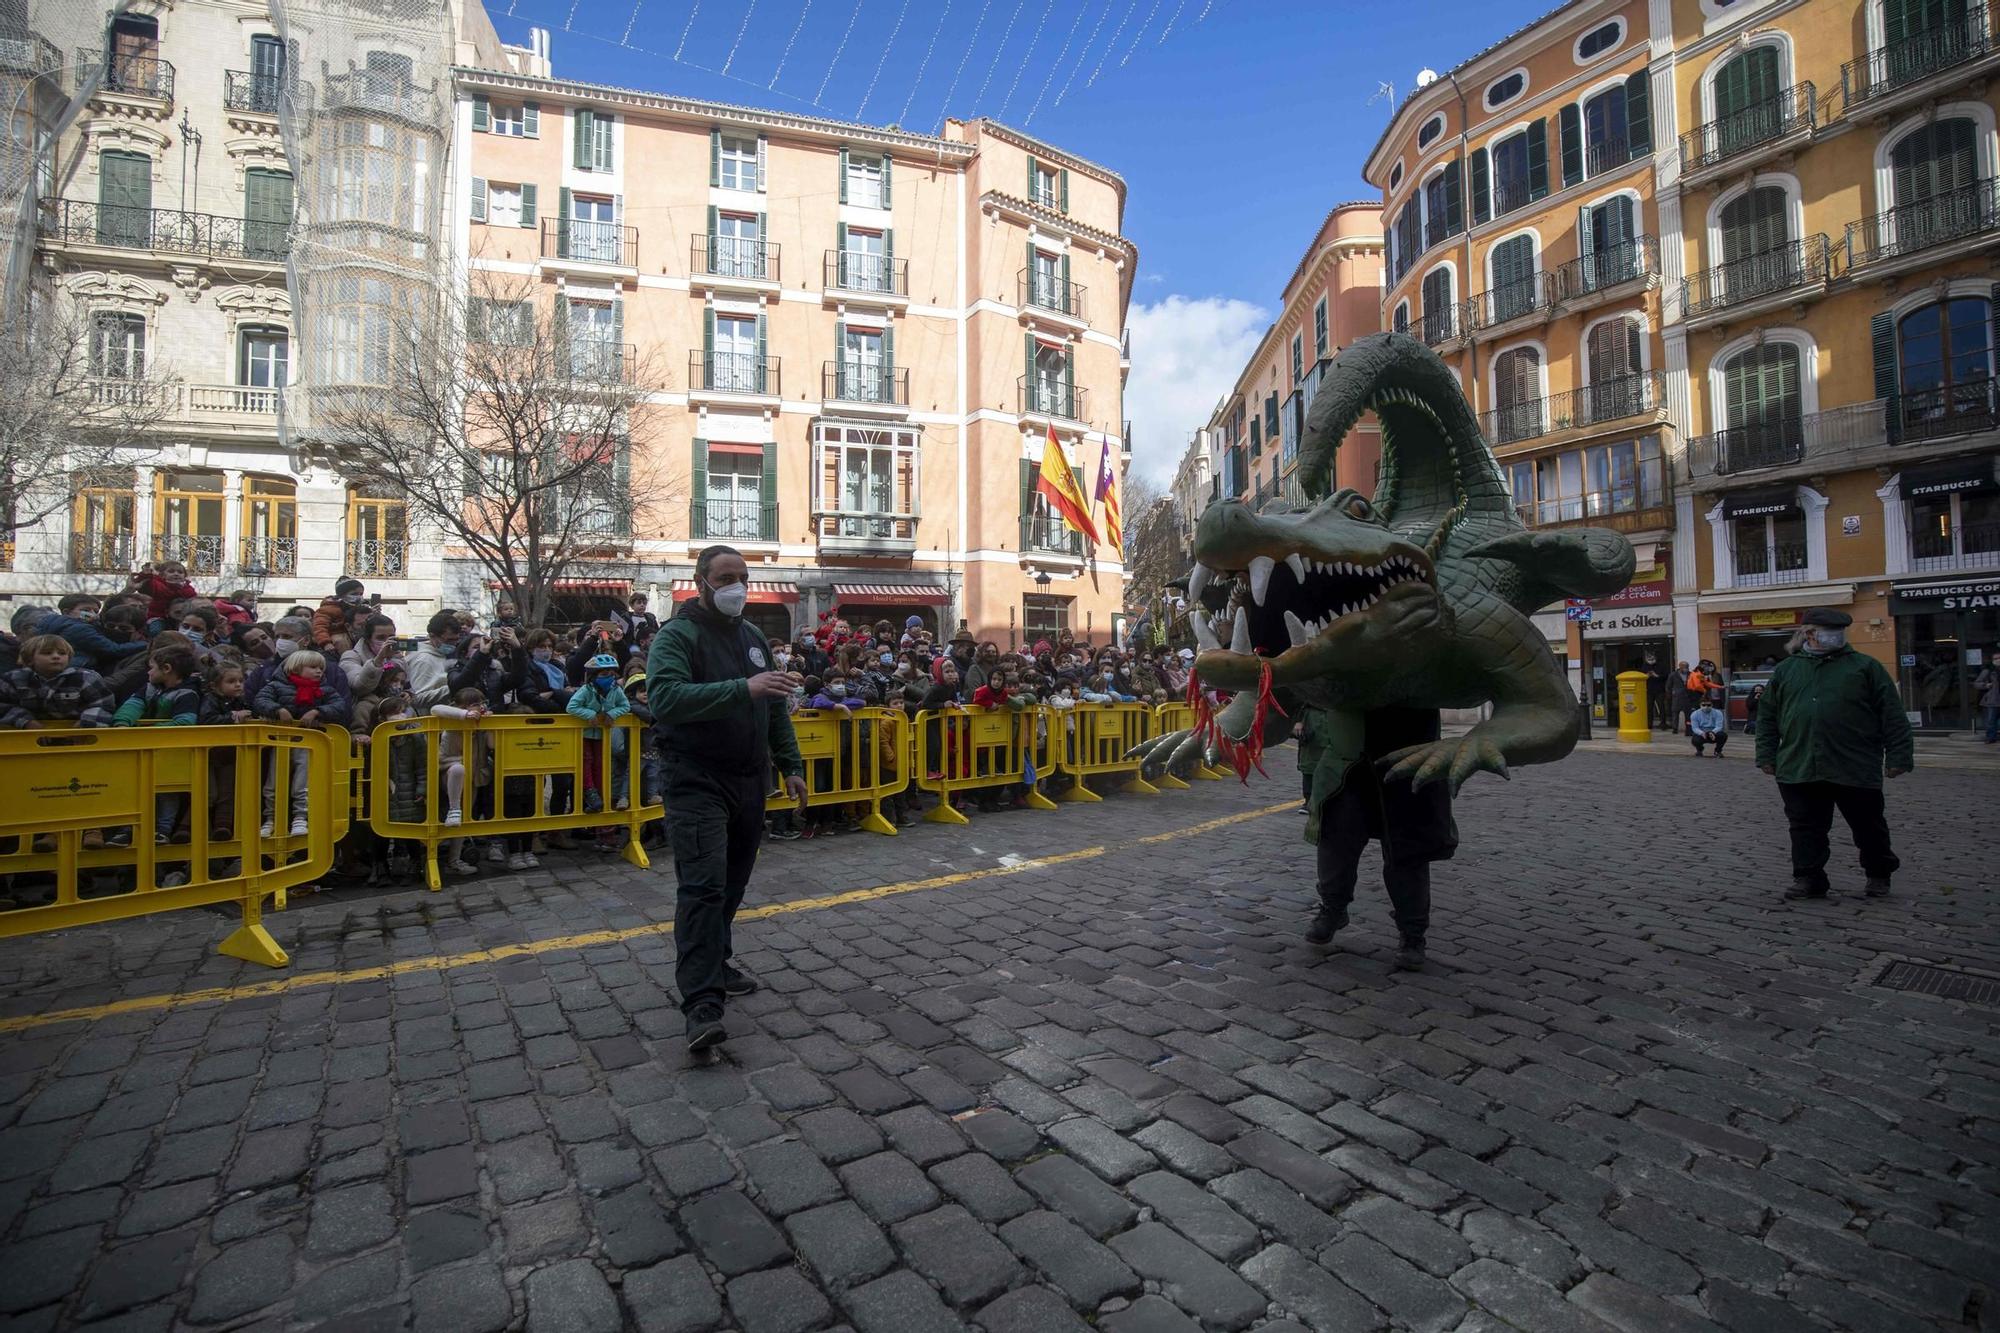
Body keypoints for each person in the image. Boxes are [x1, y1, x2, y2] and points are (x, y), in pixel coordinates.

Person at [647, 545, 806, 1054]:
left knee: (733, 883)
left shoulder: (754, 635)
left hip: (749, 779)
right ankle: (701, 1005)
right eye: (725, 577)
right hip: (695, 778)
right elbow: (666, 699)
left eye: (742, 576)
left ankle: (717, 960)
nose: (736, 585)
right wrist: (744, 687)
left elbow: (774, 703)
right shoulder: (677, 636)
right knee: (703, 888)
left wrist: (790, 764)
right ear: (701, 582)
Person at [1756, 608, 1913, 901]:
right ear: (1809, 634)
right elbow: (1767, 716)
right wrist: (1765, 754)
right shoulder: (1787, 670)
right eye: (1827, 630)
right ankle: (1808, 877)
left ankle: (1878, 874)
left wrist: (1899, 756)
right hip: (1799, 763)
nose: (1835, 636)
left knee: (1868, 825)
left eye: (1839, 631)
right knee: (1805, 827)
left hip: (1854, 764)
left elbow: (1892, 715)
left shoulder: (1865, 667)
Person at [1305, 707, 1457, 969]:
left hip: (1409, 751)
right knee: (1336, 836)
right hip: (1348, 759)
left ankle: (1413, 934)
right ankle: (1333, 907)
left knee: (1408, 849)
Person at [0, 635, 116, 728]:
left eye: (62, 653)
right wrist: (25, 721)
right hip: (26, 738)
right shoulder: (13, 679)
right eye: (47, 653)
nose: (56, 656)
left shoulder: (86, 678)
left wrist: (87, 723)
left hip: (77, 736)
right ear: (30, 659)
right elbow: (3, 705)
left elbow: (104, 704)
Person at [1976, 664, 1999, 744]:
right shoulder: (1987, 671)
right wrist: (1986, 685)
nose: (1998, 660)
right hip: (1992, 701)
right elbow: (1977, 684)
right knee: (1991, 721)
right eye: (1995, 658)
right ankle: (1991, 738)